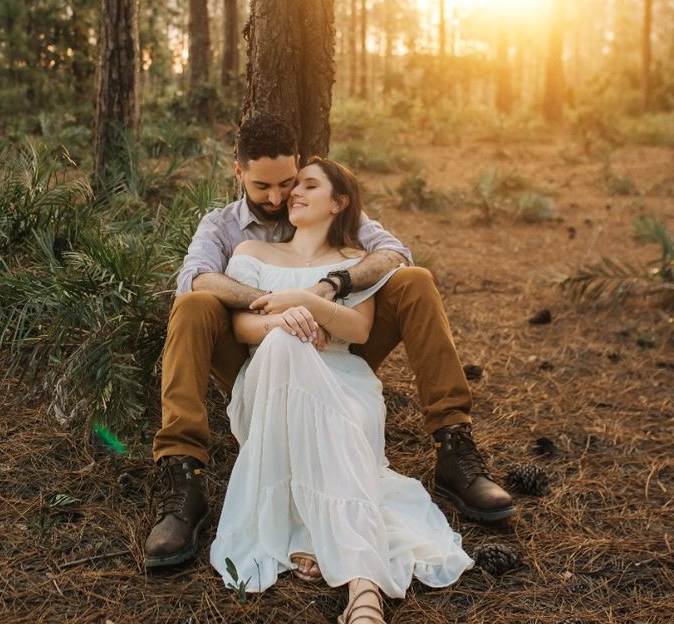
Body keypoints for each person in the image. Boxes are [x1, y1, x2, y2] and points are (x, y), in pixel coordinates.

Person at [144, 114, 514, 572]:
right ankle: (184, 477)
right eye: (262, 187)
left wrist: (331, 286)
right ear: (238, 172)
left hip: (338, 343)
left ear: (300, 167)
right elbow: (195, 278)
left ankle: (453, 446)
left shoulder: (338, 219)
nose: (279, 198)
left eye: (288, 182)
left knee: (414, 281)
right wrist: (278, 306)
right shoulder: (223, 227)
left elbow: (397, 254)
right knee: (193, 305)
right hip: (253, 352)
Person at [209, 157, 474, 624]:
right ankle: (362, 586)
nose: (294, 193)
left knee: (325, 390)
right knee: (287, 347)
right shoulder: (250, 249)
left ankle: (356, 587)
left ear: (340, 202)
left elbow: (357, 331)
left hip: (344, 381)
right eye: (295, 186)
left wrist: (300, 302)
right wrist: (288, 319)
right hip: (269, 379)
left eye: (310, 185)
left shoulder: (354, 260)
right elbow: (244, 329)